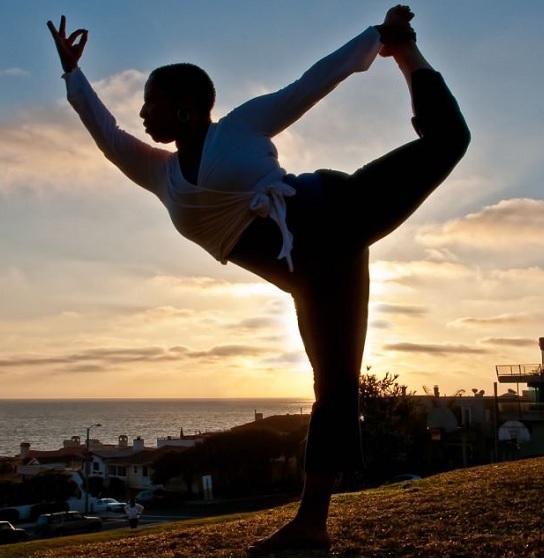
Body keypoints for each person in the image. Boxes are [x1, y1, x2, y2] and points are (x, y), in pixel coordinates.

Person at [47, 5, 470, 554]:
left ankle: (406, 51)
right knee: (335, 388)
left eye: (151, 100)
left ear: (185, 107)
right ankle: (312, 524)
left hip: (337, 208)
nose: (143, 112)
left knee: (449, 138)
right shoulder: (161, 175)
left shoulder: (238, 129)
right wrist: (71, 73)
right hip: (314, 275)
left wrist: (377, 38)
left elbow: (309, 84)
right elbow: (107, 136)